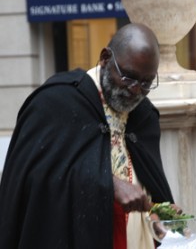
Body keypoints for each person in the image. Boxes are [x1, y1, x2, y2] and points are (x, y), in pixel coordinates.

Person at [0, 23, 179, 249]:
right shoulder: (56, 102)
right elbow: (33, 183)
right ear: (105, 58)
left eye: (146, 83)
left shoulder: (144, 116)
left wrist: (159, 214)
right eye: (128, 77)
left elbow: (149, 183)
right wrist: (108, 183)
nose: (135, 90)